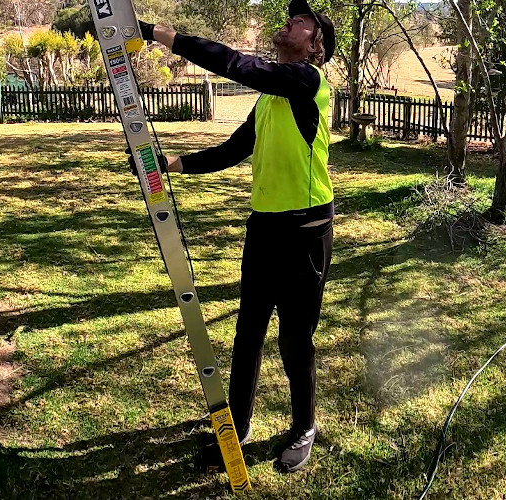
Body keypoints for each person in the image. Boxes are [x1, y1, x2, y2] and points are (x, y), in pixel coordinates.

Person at [133, 0, 336, 473]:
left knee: (294, 339)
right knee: (248, 332)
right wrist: (175, 165)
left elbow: (233, 63)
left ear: (315, 44)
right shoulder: (269, 98)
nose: (291, 20)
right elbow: (235, 148)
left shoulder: (308, 82)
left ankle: (303, 426)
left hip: (306, 229)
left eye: (302, 20)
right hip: (264, 228)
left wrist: (157, 34)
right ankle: (238, 428)